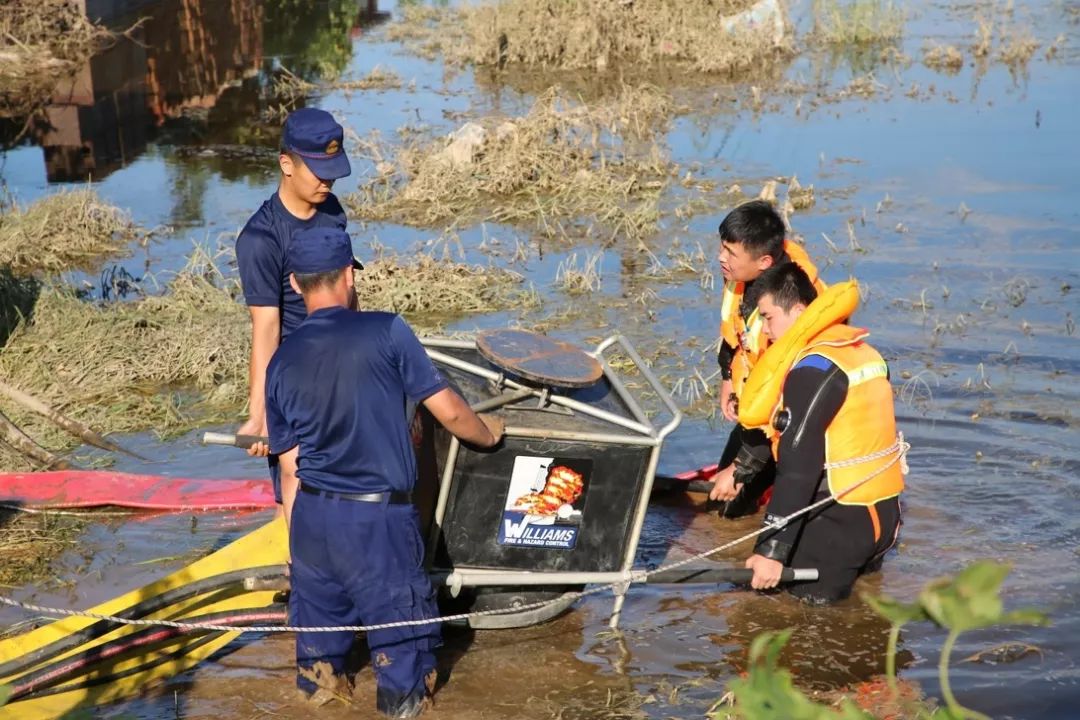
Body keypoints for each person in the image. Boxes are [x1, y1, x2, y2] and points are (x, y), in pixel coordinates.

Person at [265, 227, 504, 717]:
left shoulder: (281, 360)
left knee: (319, 669)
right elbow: (452, 413)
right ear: (349, 275)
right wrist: (490, 434)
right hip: (375, 524)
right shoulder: (387, 330)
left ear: (294, 283)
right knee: (405, 663)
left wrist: (297, 550)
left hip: (311, 521)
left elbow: (288, 468)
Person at [743, 263, 904, 604]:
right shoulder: (865, 353)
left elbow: (798, 467)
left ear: (799, 311)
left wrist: (771, 550)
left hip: (839, 524)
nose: (766, 331)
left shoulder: (811, 369)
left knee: (803, 626)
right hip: (885, 516)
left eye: (768, 317)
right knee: (865, 616)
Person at [235, 107, 354, 507]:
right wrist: (261, 413)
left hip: (341, 366)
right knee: (299, 479)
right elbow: (266, 328)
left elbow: (349, 292)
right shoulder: (261, 239)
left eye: (333, 169)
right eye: (319, 170)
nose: (328, 180)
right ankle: (295, 564)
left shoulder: (332, 212)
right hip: (297, 377)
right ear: (286, 163)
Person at [710, 200, 825, 518]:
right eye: (722, 248)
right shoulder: (741, 276)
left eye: (731, 253)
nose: (721, 257)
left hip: (789, 422)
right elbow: (734, 330)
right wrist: (726, 380)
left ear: (763, 261)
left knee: (731, 510)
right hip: (758, 407)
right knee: (719, 504)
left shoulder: (791, 309)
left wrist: (742, 467)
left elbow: (785, 399)